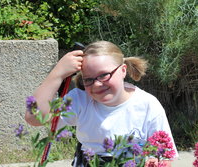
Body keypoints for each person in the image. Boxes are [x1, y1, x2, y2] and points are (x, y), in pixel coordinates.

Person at [25, 41, 178, 166]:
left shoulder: (147, 105)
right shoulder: (81, 99)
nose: (97, 85)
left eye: (104, 75)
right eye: (89, 79)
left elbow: (164, 155)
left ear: (123, 70)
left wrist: (156, 161)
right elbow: (34, 118)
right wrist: (57, 74)